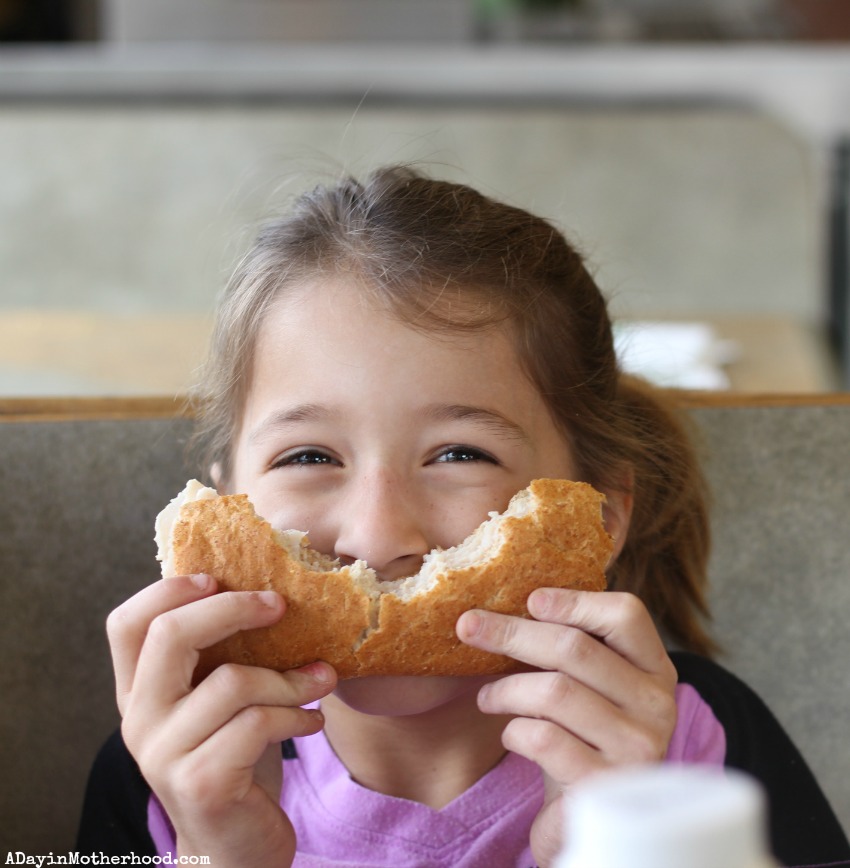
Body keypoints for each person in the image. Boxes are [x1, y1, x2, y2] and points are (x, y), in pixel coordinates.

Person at [77, 166, 849, 867]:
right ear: (221, 503)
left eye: (459, 455)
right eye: (308, 457)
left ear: (598, 520)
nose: (378, 538)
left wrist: (615, 848)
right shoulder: (168, 774)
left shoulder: (697, 747)